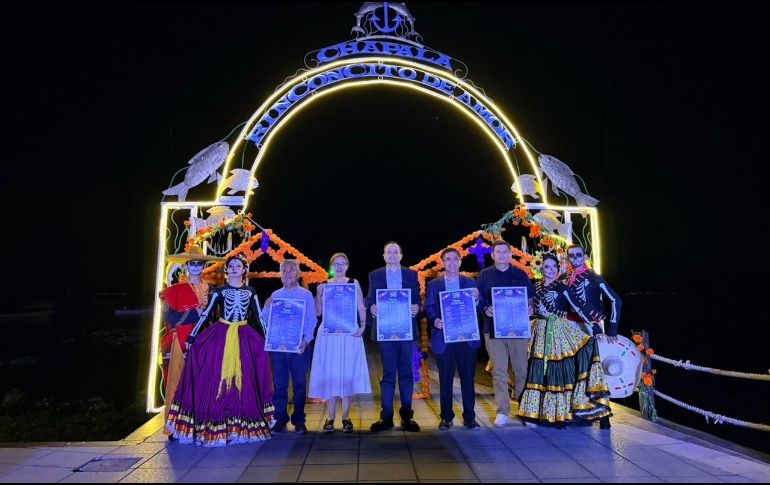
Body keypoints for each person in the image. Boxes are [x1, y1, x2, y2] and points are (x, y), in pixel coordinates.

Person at [165, 254, 275, 446]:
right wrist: (192, 337)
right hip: (221, 335)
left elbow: (258, 317)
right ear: (227, 270)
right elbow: (206, 315)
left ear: (243, 269)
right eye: (230, 266)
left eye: (237, 266)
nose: (233, 269)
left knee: (244, 381)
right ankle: (215, 423)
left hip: (244, 335)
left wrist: (268, 339)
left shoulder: (251, 291)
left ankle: (239, 426)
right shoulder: (220, 291)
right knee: (217, 381)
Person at [517, 253, 611, 428]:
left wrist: (595, 325)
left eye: (554, 267)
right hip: (538, 330)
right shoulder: (535, 287)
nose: (550, 270)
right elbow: (527, 306)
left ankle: (559, 414)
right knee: (536, 370)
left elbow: (578, 306)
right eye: (547, 267)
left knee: (558, 369)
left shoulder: (562, 287)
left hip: (558, 331)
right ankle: (533, 413)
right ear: (541, 268)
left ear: (558, 268)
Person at [159, 246, 222, 440]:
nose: (195, 266)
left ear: (204, 266)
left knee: (201, 382)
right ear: (187, 266)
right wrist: (194, 313)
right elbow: (169, 317)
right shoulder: (173, 292)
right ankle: (175, 426)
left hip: (203, 341)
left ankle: (199, 424)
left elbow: (215, 316)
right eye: (192, 263)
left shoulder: (211, 291)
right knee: (177, 381)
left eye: (199, 263)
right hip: (181, 341)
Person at [309, 253, 372, 434]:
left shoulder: (353, 283)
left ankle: (345, 416)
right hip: (329, 334)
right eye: (336, 264)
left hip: (348, 332)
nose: (339, 267)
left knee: (346, 372)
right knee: (331, 372)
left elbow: (361, 306)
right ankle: (330, 417)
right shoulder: (325, 286)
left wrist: (363, 325)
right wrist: (319, 295)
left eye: (342, 263)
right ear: (331, 266)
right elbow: (319, 313)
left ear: (347, 265)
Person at [562, 243, 622, 430]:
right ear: (568, 258)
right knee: (574, 370)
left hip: (591, 327)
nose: (575, 258)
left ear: (585, 256)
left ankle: (603, 416)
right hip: (571, 328)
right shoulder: (565, 278)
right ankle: (580, 412)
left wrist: (612, 328)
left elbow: (616, 300)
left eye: (578, 255)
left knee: (595, 371)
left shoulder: (594, 277)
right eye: (571, 256)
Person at [477, 239, 534, 428]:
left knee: (521, 371)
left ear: (510, 255)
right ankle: (503, 411)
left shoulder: (520, 274)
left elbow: (530, 300)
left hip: (518, 329)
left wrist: (530, 309)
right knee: (499, 371)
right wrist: (486, 309)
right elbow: (478, 302)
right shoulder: (484, 276)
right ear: (492, 255)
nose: (502, 255)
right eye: (498, 252)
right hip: (493, 330)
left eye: (505, 252)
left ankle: (525, 410)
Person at [366, 241, 421, 432]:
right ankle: (386, 417)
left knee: (406, 373)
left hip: (406, 330)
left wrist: (416, 307)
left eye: (395, 252)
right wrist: (371, 307)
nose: (391, 255)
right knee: (389, 373)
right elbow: (370, 298)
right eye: (388, 252)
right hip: (386, 330)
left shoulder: (411, 274)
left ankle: (407, 416)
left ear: (401, 255)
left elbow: (416, 299)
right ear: (383, 256)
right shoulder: (375, 275)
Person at [424, 248, 482, 431]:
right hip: (445, 338)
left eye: (454, 259)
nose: (451, 262)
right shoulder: (434, 284)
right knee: (446, 380)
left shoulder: (470, 282)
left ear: (460, 261)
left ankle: (470, 417)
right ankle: (446, 417)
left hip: (466, 338)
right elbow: (429, 307)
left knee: (467, 379)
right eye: (447, 259)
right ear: (442, 262)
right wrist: (435, 320)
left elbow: (479, 310)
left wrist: (477, 300)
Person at [263, 259, 317, 435]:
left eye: (291, 270)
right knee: (279, 385)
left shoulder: (306, 295)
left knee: (300, 385)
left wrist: (306, 340)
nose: (287, 273)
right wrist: (266, 307)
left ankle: (299, 420)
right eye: (284, 271)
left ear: (298, 274)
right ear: (280, 275)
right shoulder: (275, 295)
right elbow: (265, 321)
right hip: (278, 349)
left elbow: (312, 320)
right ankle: (280, 419)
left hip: (299, 347)